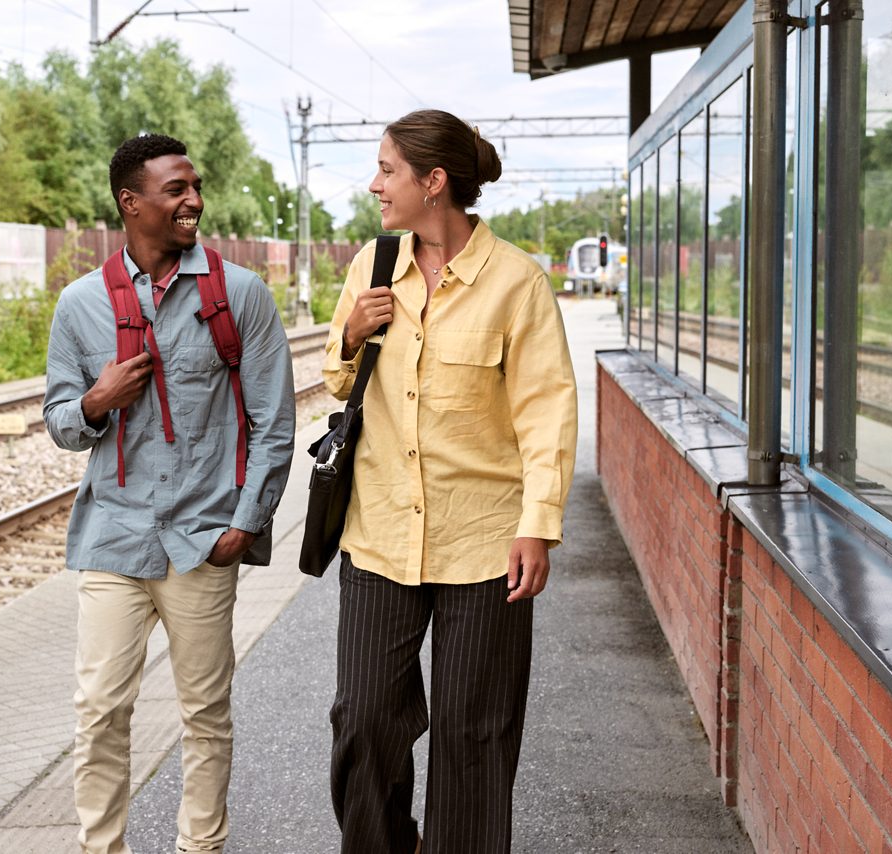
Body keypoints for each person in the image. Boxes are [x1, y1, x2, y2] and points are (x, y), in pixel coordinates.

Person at [322, 109, 578, 853]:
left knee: (475, 736)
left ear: (434, 183)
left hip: (485, 544)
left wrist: (538, 523)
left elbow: (547, 413)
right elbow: (340, 384)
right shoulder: (371, 268)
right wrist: (350, 336)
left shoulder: (517, 284)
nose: (375, 185)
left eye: (388, 170)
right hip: (380, 537)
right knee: (364, 722)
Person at [43, 133, 295, 854]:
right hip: (114, 539)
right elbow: (61, 424)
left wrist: (244, 524)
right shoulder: (81, 304)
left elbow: (273, 422)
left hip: (202, 540)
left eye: (194, 187)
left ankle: (200, 848)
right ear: (132, 202)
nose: (194, 201)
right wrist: (96, 400)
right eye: (176, 189)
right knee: (98, 711)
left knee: (205, 713)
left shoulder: (238, 294)